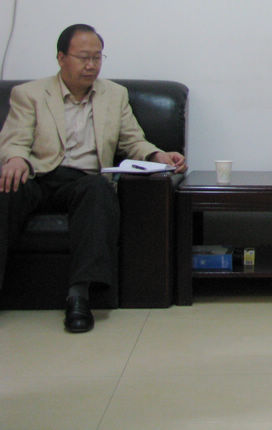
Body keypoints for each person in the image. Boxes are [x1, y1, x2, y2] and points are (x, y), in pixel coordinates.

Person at [0, 24, 187, 332]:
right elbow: (15, 139)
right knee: (6, 187)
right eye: (83, 57)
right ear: (61, 58)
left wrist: (157, 155)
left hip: (84, 181)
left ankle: (79, 296)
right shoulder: (29, 94)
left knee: (99, 190)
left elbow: (133, 140)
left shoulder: (114, 95)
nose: (91, 65)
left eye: (97, 58)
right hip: (38, 176)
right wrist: (16, 158)